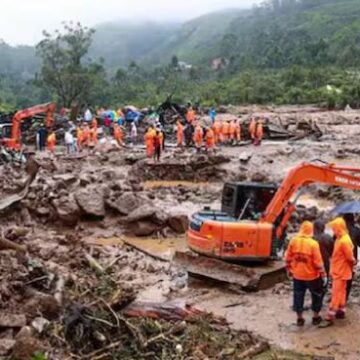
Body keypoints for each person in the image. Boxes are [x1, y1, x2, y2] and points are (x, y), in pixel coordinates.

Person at [285, 221, 326, 326]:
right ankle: (315, 317)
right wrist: (324, 275)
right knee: (316, 295)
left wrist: (289, 269)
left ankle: (299, 318)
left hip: (297, 275)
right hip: (312, 276)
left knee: (298, 295)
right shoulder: (313, 244)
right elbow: (318, 262)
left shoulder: (293, 241)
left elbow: (287, 257)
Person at [320, 218, 355, 327]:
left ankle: (330, 317)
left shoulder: (343, 240)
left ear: (339, 228)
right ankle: (341, 310)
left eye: (334, 228)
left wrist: (353, 262)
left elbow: (350, 257)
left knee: (336, 293)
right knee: (342, 292)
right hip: (341, 270)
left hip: (340, 271)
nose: (333, 230)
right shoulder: (342, 238)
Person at [343, 214, 360, 299]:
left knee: (339, 277)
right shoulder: (356, 230)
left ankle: (338, 296)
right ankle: (345, 297)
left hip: (340, 258)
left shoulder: (340, 230)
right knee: (348, 277)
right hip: (351, 258)